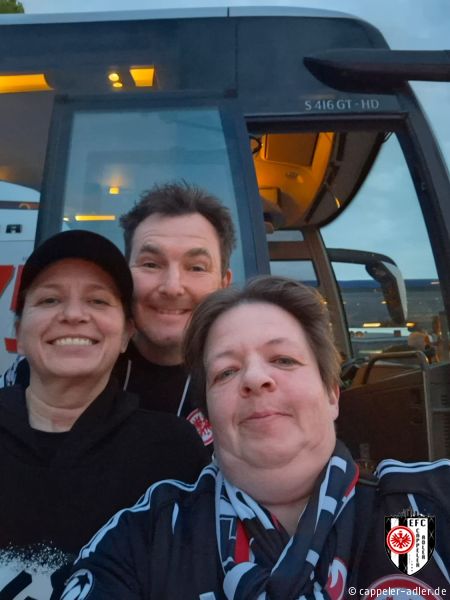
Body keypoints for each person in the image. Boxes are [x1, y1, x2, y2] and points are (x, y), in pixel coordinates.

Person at [62, 276, 450, 599]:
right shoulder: (145, 538)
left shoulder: (425, 504)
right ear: (209, 417)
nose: (254, 378)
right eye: (226, 372)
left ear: (332, 394)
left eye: (283, 360)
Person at [0, 230, 209, 599]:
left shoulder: (172, 452)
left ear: (127, 333)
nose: (73, 315)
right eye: (49, 299)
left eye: (98, 301)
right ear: (19, 330)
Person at [1, 182, 236, 448]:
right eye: (151, 264)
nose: (172, 287)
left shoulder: (244, 375)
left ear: (224, 283)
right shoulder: (59, 363)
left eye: (196, 267)